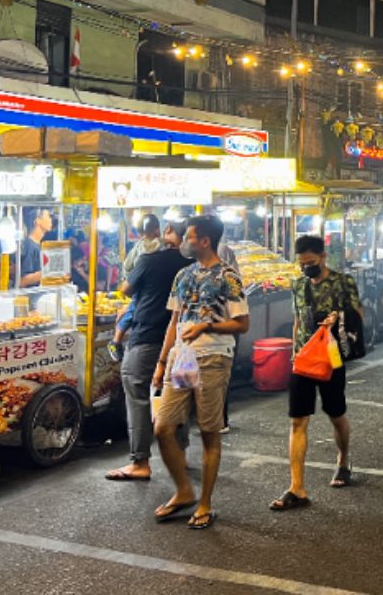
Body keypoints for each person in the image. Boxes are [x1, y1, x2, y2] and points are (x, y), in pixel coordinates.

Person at [152, 215, 249, 530]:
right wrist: (162, 361)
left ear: (204, 241)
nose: (183, 242)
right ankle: (183, 490)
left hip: (213, 358)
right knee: (163, 427)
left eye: (189, 237)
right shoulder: (183, 275)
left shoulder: (228, 276)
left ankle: (205, 502)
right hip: (182, 359)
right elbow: (174, 322)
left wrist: (208, 325)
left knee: (209, 433)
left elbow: (241, 324)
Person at [271, 235, 361, 510]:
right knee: (298, 421)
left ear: (322, 257)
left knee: (336, 414)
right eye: (301, 264)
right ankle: (297, 487)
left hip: (331, 359)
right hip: (303, 360)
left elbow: (358, 315)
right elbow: (297, 320)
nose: (305, 268)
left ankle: (343, 460)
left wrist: (338, 317)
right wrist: (294, 354)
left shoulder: (342, 281)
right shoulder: (297, 285)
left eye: (310, 262)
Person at [105, 219, 192, 482]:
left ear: (167, 233)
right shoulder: (194, 266)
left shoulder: (150, 260)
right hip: (183, 341)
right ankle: (180, 454)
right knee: (178, 395)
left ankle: (140, 461)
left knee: (137, 395)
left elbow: (125, 289)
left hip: (147, 338)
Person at [109, 214, 165, 362]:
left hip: (137, 282)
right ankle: (115, 340)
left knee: (132, 309)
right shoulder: (159, 244)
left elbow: (127, 265)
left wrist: (129, 277)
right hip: (145, 285)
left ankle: (117, 340)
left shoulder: (139, 245)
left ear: (139, 232)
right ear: (157, 230)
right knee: (131, 310)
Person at [19, 208, 53, 288]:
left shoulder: (38, 245)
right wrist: (48, 272)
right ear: (38, 221)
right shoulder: (29, 246)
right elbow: (22, 281)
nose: (51, 220)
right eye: (48, 216)